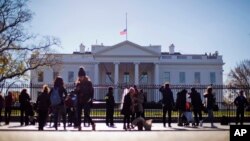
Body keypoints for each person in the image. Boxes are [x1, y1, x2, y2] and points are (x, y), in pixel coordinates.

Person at [75, 67, 95, 131]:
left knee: (86, 114)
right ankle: (79, 126)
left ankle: (92, 124)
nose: (80, 78)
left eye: (81, 76)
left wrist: (90, 98)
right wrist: (76, 90)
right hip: (80, 100)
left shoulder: (89, 83)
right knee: (79, 114)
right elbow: (76, 92)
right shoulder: (78, 83)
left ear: (84, 76)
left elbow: (91, 91)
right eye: (79, 77)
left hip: (86, 100)